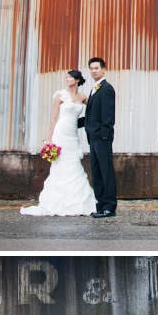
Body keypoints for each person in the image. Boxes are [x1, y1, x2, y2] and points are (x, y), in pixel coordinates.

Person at [20, 73, 96, 219]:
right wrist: (49, 139)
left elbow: (94, 109)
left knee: (74, 164)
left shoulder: (83, 97)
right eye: (66, 77)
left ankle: (77, 201)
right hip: (61, 133)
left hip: (73, 134)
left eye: (70, 77)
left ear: (77, 80)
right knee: (60, 165)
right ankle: (58, 202)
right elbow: (54, 118)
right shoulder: (60, 95)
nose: (67, 79)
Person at [83, 58, 117, 217]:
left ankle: (109, 206)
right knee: (96, 172)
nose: (94, 71)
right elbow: (91, 115)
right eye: (91, 68)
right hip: (93, 137)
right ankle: (101, 203)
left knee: (106, 171)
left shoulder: (106, 88)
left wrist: (104, 136)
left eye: (96, 68)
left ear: (103, 69)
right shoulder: (94, 89)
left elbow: (108, 115)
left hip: (102, 138)